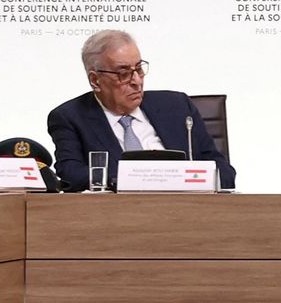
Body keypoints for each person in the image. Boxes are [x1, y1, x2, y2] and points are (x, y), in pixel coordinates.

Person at [47, 29, 236, 192]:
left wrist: (187, 179)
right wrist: (139, 178)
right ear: (96, 80)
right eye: (123, 73)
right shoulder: (70, 117)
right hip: (117, 216)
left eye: (138, 69)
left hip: (187, 209)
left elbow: (223, 170)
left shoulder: (177, 106)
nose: (137, 80)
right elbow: (70, 174)